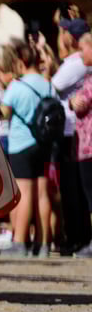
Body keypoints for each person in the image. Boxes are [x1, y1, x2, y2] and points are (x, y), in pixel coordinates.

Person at [0, 40, 55, 256]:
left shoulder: (17, 86)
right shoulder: (47, 84)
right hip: (44, 143)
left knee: (25, 193)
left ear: (21, 61)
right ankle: (44, 243)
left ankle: (19, 242)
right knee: (42, 194)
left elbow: (4, 112)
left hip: (21, 144)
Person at [51, 6, 90, 254]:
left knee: (74, 190)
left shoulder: (77, 64)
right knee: (74, 188)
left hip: (70, 132)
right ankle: (77, 235)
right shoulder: (75, 62)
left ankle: (79, 236)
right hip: (73, 131)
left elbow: (54, 84)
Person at [67, 32, 92, 257]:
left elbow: (81, 103)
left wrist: (73, 101)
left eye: (83, 49)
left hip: (89, 146)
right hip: (85, 146)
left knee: (90, 194)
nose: (80, 53)